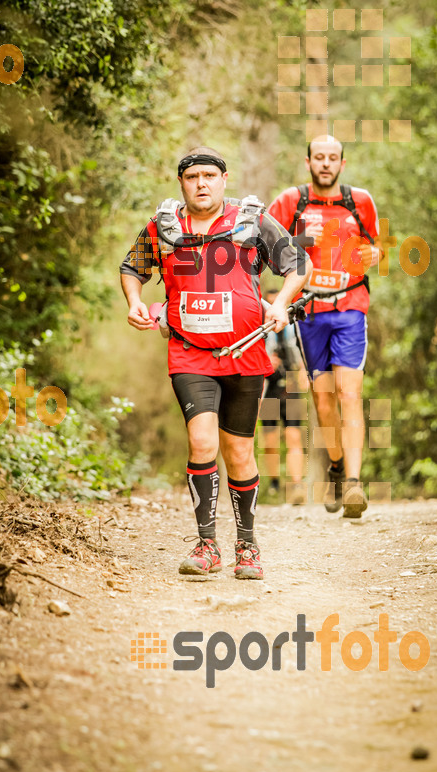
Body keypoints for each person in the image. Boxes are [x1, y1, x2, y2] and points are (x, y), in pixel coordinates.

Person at [120, 146, 312, 579]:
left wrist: (281, 303)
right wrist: (135, 302)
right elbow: (132, 267)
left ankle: (248, 547)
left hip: (246, 352)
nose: (201, 183)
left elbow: (299, 263)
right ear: (181, 183)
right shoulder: (163, 225)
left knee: (239, 452)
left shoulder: (252, 220)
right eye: (193, 176)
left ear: (224, 180)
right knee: (202, 442)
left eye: (209, 175)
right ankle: (207, 546)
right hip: (189, 352)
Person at [268, 135, 383, 518]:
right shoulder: (291, 201)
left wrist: (374, 254)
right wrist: (299, 239)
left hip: (351, 308)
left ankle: (353, 483)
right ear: (308, 162)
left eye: (333, 158)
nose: (326, 164)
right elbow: (260, 248)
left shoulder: (360, 201)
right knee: (323, 400)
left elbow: (376, 249)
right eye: (319, 157)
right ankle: (336, 467)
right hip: (309, 310)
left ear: (342, 164)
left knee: (350, 395)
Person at [260, 288, 306, 504]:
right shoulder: (260, 332)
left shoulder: (295, 327)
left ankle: (297, 485)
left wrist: (304, 371)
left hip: (292, 386)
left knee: (294, 436)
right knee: (270, 441)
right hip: (269, 388)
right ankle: (275, 482)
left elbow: (304, 354)